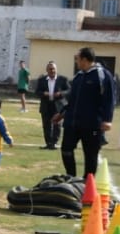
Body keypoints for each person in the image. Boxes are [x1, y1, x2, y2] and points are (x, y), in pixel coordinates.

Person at [60, 47, 117, 178]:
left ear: (84, 59)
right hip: (72, 123)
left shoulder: (102, 75)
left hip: (92, 124)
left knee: (90, 154)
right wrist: (62, 113)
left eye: (77, 59)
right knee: (66, 149)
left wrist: (107, 120)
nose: (76, 62)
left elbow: (110, 99)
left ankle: (87, 182)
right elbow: (72, 99)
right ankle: (70, 176)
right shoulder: (78, 76)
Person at [36, 61, 68, 150]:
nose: (52, 71)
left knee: (57, 125)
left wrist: (60, 93)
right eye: (50, 69)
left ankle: (54, 143)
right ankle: (48, 143)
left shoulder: (63, 79)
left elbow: (69, 90)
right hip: (46, 106)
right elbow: (37, 92)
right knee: (46, 125)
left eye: (53, 69)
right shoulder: (41, 80)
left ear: (56, 69)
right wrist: (44, 93)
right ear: (47, 70)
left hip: (57, 106)